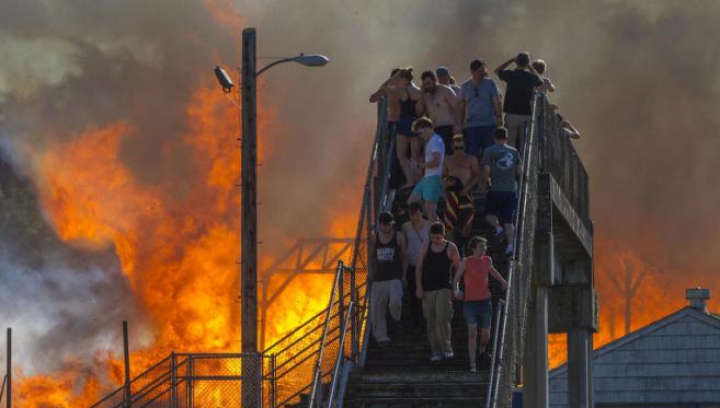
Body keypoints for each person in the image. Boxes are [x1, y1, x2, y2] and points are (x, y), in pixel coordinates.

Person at [453, 236, 508, 372]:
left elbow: (492, 271)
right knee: (472, 332)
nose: (484, 249)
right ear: (473, 248)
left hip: (485, 301)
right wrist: (456, 290)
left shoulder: (487, 260)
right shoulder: (466, 262)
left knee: (485, 332)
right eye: (481, 247)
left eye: (485, 247)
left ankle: (482, 348)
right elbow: (456, 279)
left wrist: (503, 281)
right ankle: (473, 364)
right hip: (470, 302)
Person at [415, 222, 461, 362]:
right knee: (430, 320)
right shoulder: (426, 245)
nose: (435, 240)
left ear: (443, 235)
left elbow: (459, 268)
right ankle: (436, 351)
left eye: (438, 237)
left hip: (444, 287)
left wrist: (456, 286)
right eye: (433, 237)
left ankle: (447, 349)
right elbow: (419, 267)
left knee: (442, 317)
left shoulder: (450, 247)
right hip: (428, 288)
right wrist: (419, 287)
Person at [370, 68, 423, 188]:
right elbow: (421, 109)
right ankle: (417, 182)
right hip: (416, 122)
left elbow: (383, 88)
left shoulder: (400, 91)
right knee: (415, 157)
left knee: (401, 156)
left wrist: (392, 79)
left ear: (403, 78)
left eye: (399, 78)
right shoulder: (419, 91)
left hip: (403, 122)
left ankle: (410, 181)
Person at [480, 127, 523, 255]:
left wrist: (483, 183)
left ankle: (498, 228)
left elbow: (486, 170)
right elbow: (520, 171)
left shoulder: (489, 150)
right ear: (506, 137)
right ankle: (510, 246)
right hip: (511, 190)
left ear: (494, 137)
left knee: (488, 215)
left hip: (496, 189)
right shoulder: (514, 151)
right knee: (509, 221)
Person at [369, 211, 407, 348]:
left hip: (394, 276)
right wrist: (370, 272)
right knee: (377, 309)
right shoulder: (375, 237)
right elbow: (371, 256)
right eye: (384, 225)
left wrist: (404, 276)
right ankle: (381, 337)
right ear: (380, 225)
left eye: (389, 225)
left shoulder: (399, 237)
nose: (387, 228)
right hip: (379, 278)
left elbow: (404, 257)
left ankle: (396, 319)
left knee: (395, 301)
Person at [494, 52, 543, 153]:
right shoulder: (531, 77)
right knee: (524, 144)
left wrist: (511, 60)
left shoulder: (511, 74)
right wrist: (529, 66)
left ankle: (512, 165)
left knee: (510, 143)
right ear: (527, 63)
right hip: (526, 114)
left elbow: (497, 71)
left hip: (512, 114)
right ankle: (522, 165)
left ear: (517, 62)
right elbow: (540, 81)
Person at [459, 59, 503, 157]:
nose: (483, 73)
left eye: (484, 70)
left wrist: (499, 117)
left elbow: (497, 101)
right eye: (480, 71)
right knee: (472, 154)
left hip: (489, 124)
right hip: (471, 126)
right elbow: (461, 106)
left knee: (489, 153)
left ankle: (487, 172)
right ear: (472, 72)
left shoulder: (491, 83)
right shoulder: (465, 86)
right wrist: (460, 123)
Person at [443, 135, 480, 245]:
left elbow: (477, 175)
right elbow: (442, 176)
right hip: (451, 194)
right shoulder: (447, 159)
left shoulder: (471, 158)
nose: (459, 151)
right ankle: (450, 249)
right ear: (452, 148)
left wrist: (468, 187)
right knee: (449, 222)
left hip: (465, 192)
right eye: (456, 148)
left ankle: (463, 245)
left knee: (468, 220)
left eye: (461, 148)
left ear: (465, 147)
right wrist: (444, 189)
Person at [408, 117, 445, 221]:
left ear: (427, 129)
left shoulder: (435, 141)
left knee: (430, 209)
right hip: (427, 177)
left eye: (420, 133)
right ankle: (428, 226)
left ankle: (437, 232)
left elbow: (436, 162)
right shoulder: (431, 141)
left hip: (433, 178)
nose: (420, 136)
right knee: (412, 202)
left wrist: (420, 165)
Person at [402, 202, 431, 331]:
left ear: (421, 212)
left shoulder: (429, 225)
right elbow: (405, 248)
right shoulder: (406, 227)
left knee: (426, 293)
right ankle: (417, 322)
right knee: (414, 294)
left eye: (417, 214)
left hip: (426, 264)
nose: (415, 217)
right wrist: (403, 273)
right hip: (412, 264)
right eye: (412, 214)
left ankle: (427, 321)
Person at [416, 70, 461, 154]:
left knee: (448, 155)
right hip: (435, 130)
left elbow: (457, 107)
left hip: (448, 128)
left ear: (434, 81)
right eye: (425, 84)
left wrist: (458, 125)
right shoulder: (425, 95)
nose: (427, 86)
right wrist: (421, 94)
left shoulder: (444, 90)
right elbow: (418, 112)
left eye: (429, 83)